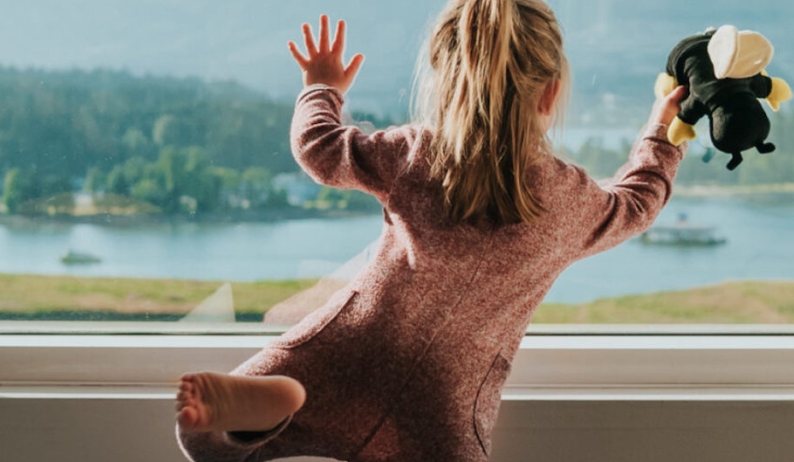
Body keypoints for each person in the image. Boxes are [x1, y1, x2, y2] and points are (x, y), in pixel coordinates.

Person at [174, 1, 688, 460]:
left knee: (204, 440)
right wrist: (663, 130)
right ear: (550, 94)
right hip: (445, 398)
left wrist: (322, 88)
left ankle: (272, 401)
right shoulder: (568, 199)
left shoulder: (416, 154)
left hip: (346, 352)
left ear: (443, 80)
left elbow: (320, 150)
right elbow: (638, 202)